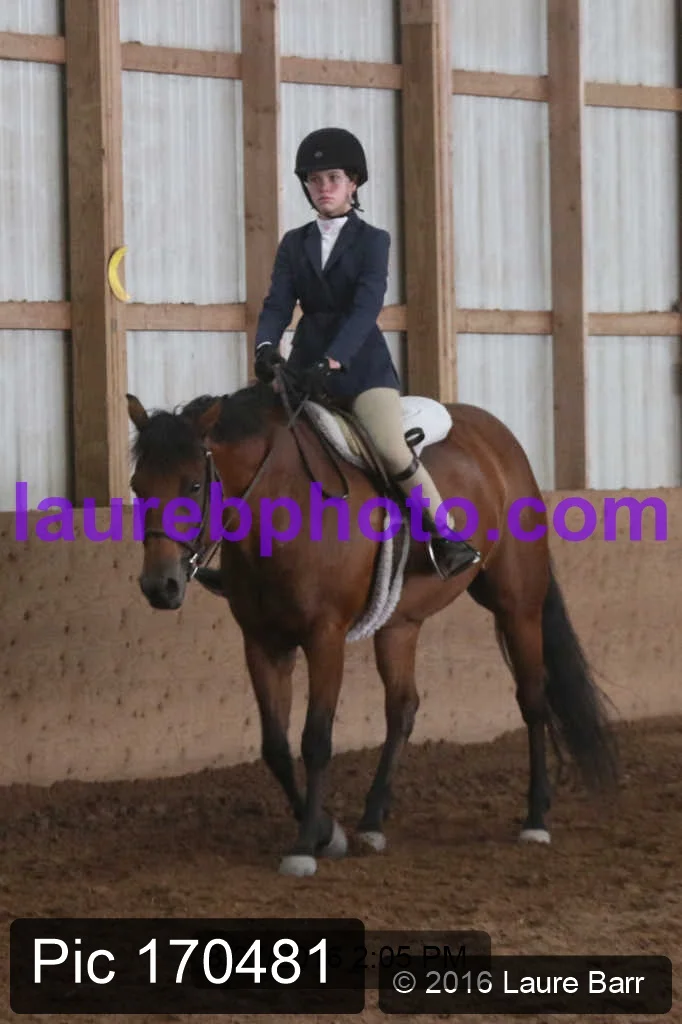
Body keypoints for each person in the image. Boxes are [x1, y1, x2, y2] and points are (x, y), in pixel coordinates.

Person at [197, 127, 480, 588]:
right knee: (258, 444)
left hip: (360, 366)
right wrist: (266, 348)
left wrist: (332, 361)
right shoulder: (294, 243)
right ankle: (239, 565)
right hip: (301, 366)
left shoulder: (374, 240)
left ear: (353, 183)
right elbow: (277, 303)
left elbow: (366, 307)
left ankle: (446, 536)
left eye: (333, 178)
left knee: (389, 446)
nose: (323, 187)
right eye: (314, 180)